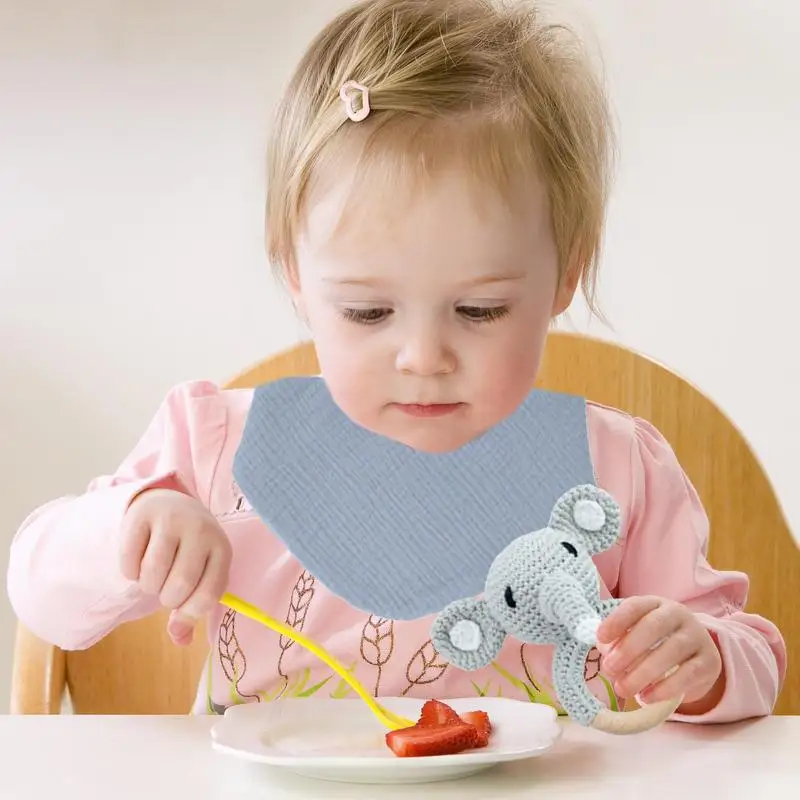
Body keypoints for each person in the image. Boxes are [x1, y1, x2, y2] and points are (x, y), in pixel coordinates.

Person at [7, 0, 785, 720]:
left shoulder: (615, 471)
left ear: (565, 274)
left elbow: (752, 659)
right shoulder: (214, 450)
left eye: (480, 310)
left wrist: (703, 660)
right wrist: (130, 529)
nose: (424, 356)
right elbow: (40, 594)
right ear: (295, 277)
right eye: (367, 312)